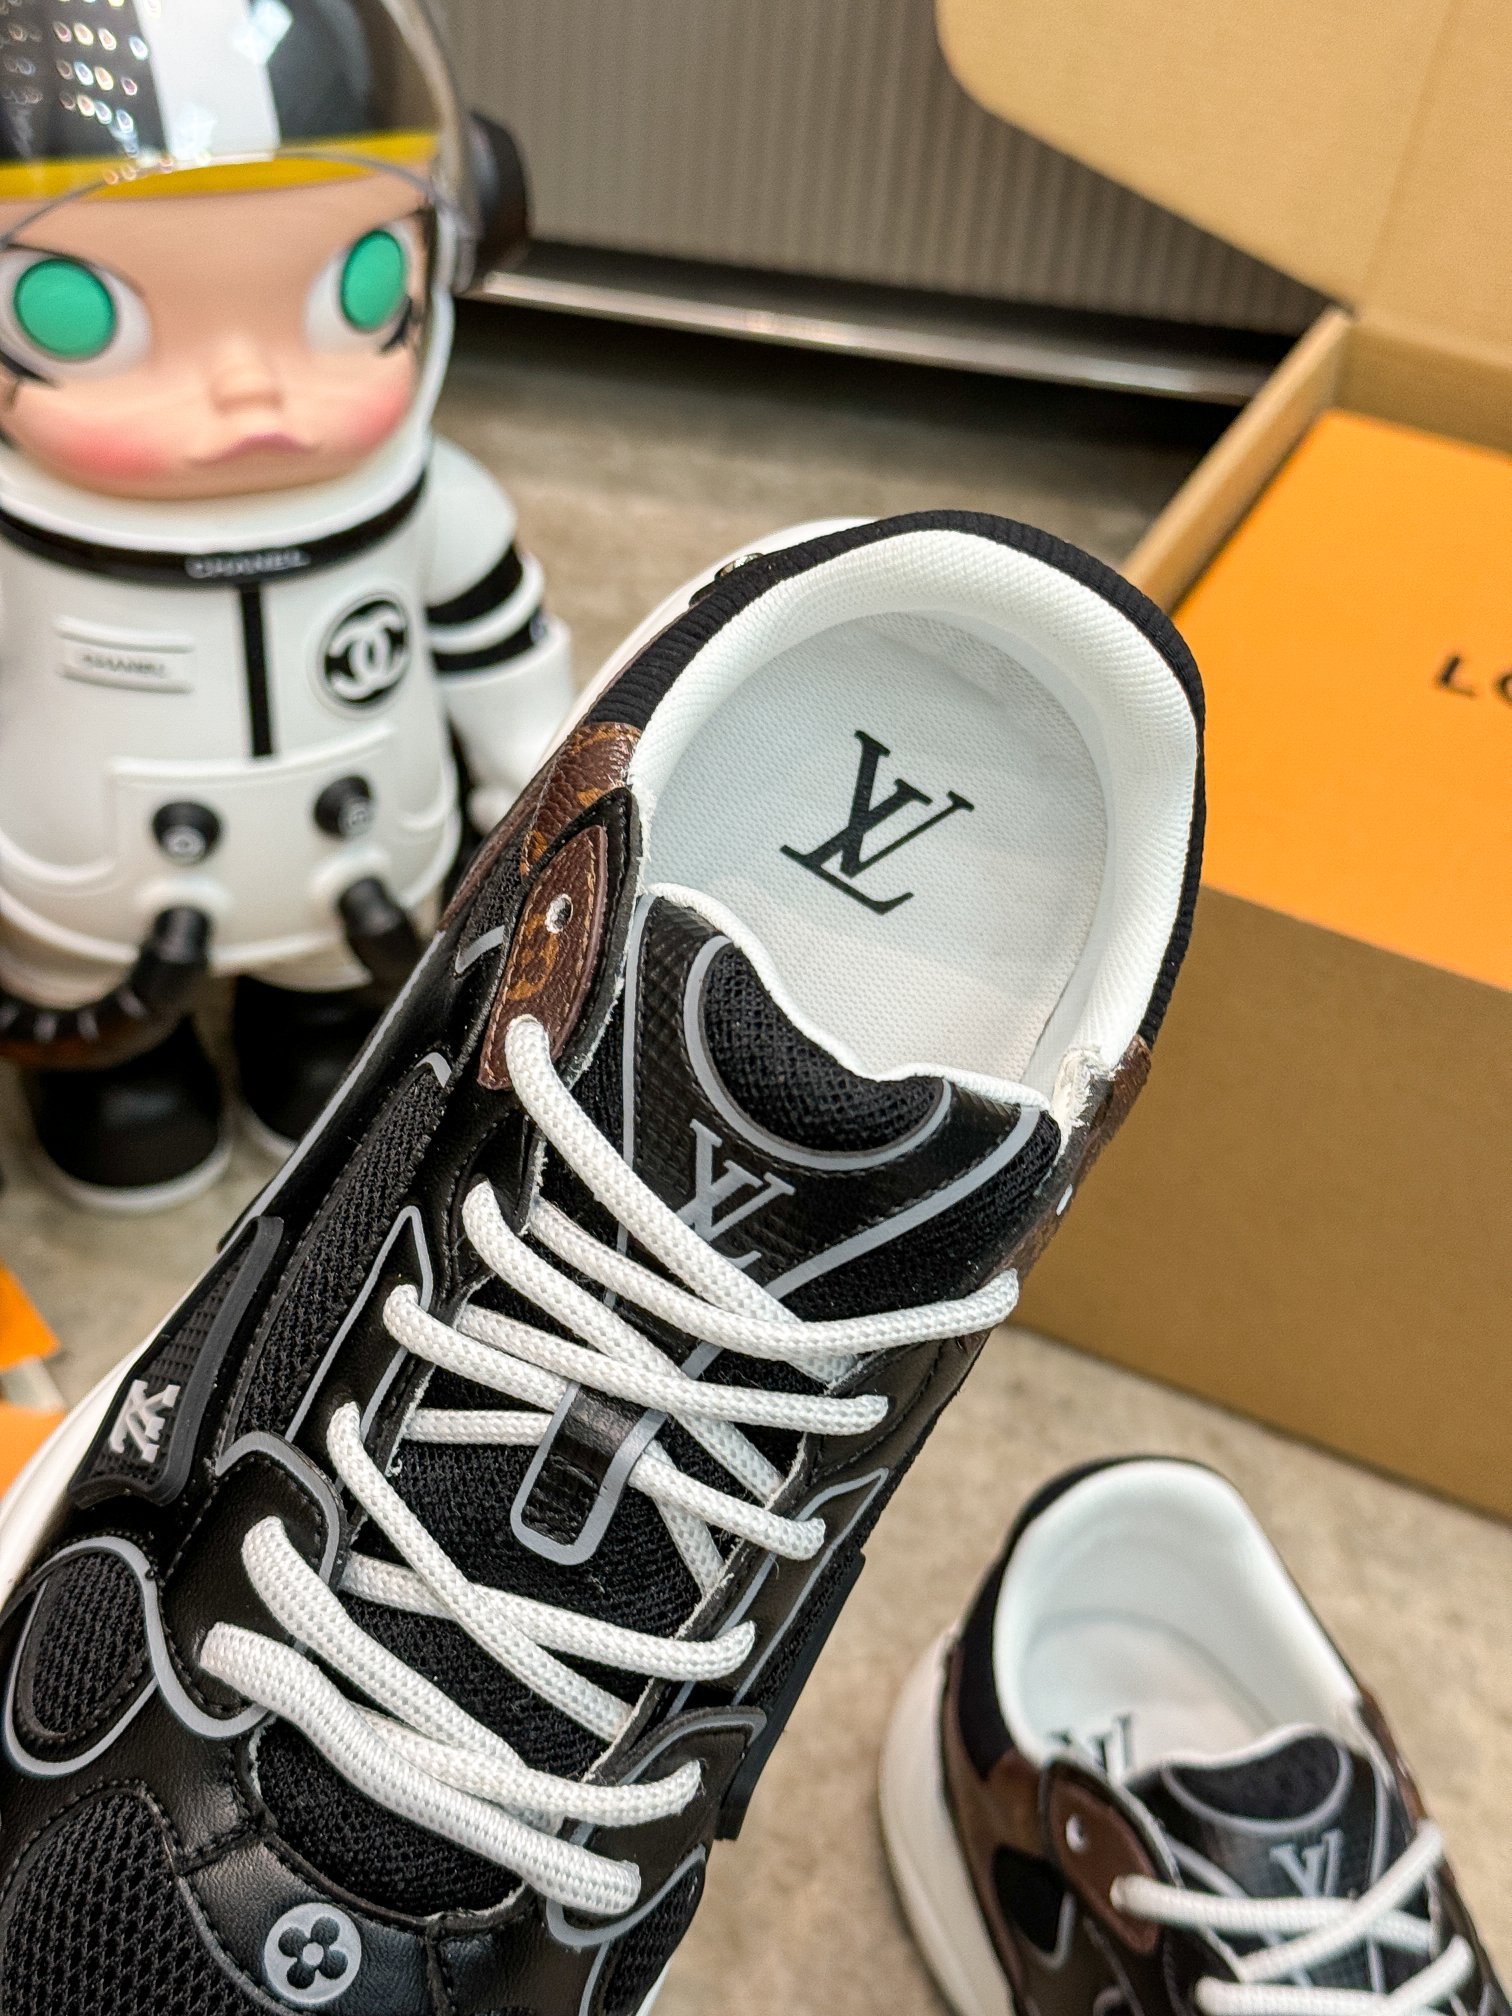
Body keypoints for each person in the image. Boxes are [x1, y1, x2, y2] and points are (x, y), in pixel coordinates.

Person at [0, 0, 573, 1209]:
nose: (248, 391)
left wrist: (529, 811)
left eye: (356, 289)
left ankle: (314, 1029)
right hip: (83, 914)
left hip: (360, 884)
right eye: (75, 310)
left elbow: (502, 663)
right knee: (109, 1069)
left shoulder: (430, 504)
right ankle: (113, 1072)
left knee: (339, 1032)